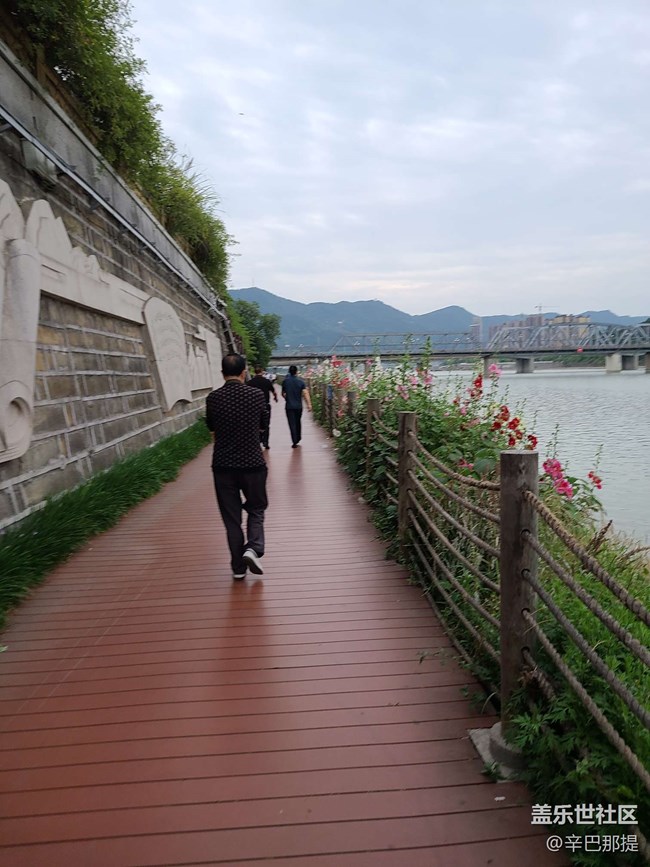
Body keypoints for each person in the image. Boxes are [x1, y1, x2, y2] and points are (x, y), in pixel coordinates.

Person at [205, 353, 268, 580]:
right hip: (253, 463)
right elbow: (263, 425)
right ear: (243, 372)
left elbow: (212, 429)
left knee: (231, 519)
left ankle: (238, 568)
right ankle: (253, 548)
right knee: (256, 508)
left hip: (223, 466)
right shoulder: (256, 395)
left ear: (222, 373)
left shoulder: (213, 398)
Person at [247, 365, 278, 449]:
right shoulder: (267, 381)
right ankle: (266, 442)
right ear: (262, 371)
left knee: (256, 424)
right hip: (265, 405)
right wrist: (275, 398)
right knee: (266, 424)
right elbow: (273, 391)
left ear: (255, 372)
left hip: (254, 407)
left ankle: (259, 439)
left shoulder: (250, 382)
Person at [281, 364, 312, 448]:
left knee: (292, 423)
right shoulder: (300, 381)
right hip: (298, 406)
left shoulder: (285, 381)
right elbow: (305, 393)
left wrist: (287, 398)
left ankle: (294, 440)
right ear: (296, 372)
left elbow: (283, 393)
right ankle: (298, 437)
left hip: (289, 406)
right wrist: (309, 404)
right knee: (298, 421)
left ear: (289, 371)